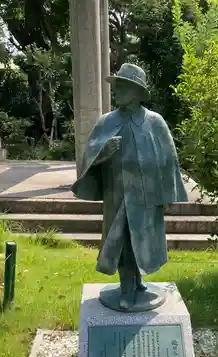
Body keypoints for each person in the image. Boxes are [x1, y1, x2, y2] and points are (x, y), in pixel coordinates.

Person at [71, 63, 187, 311]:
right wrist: (104, 152)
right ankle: (126, 288)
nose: (117, 92)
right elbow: (88, 155)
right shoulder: (106, 121)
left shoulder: (154, 122)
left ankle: (138, 280)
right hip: (118, 195)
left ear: (136, 91)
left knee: (143, 240)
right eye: (117, 86)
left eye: (123, 86)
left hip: (147, 196)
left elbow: (168, 160)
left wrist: (168, 194)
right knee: (121, 242)